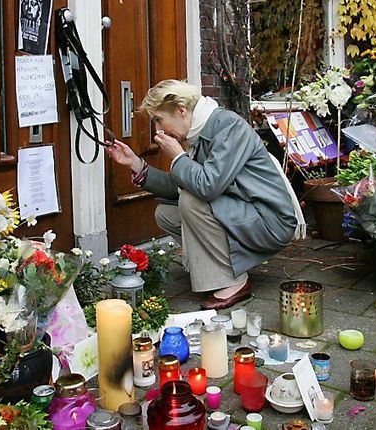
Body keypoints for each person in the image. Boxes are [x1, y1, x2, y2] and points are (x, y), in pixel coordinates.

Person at [106, 80, 304, 309]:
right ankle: (218, 269)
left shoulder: (228, 126)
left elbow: (207, 186)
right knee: (166, 213)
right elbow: (183, 186)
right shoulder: (200, 131)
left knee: (191, 202)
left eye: (159, 120)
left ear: (181, 110)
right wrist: (136, 164)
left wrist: (179, 158)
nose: (158, 131)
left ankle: (234, 282)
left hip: (270, 220)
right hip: (245, 212)